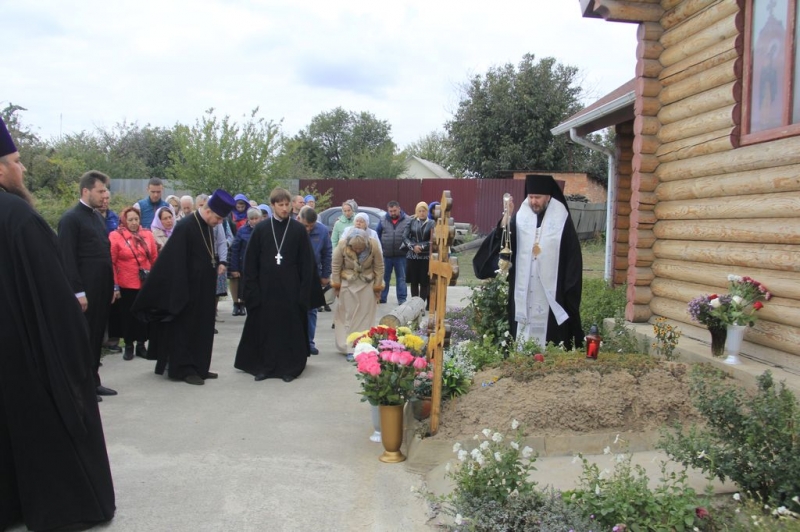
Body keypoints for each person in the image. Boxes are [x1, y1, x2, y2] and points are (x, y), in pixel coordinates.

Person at [0, 117, 115, 532]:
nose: (23, 169)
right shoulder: (18, 217)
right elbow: (53, 299)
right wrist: (73, 352)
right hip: (22, 350)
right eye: (16, 160)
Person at [131, 189, 236, 385]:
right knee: (185, 330)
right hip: (187, 291)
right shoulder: (187, 226)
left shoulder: (206, 226)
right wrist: (182, 292)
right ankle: (183, 369)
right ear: (209, 210)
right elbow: (174, 263)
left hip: (203, 290)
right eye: (219, 218)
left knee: (202, 329)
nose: (220, 222)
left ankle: (199, 366)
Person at [473, 174, 584, 349]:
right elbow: (504, 245)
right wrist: (506, 219)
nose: (533, 202)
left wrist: (568, 291)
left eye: (538, 197)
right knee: (521, 340)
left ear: (548, 196)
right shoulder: (521, 217)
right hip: (524, 293)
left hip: (551, 294)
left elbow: (573, 260)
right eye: (531, 197)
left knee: (551, 342)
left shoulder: (562, 220)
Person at [234, 188, 318, 382]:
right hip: (266, 290)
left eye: (287, 204)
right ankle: (265, 367)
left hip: (291, 290)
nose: (284, 208)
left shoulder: (298, 230)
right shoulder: (261, 229)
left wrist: (305, 292)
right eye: (280, 205)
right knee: (267, 329)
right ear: (272, 206)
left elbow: (307, 263)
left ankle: (290, 367)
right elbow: (250, 262)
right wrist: (251, 290)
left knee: (289, 329)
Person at [58, 170, 118, 401]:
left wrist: (112, 286)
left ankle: (93, 380)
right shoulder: (71, 219)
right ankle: (80, 386)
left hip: (102, 289)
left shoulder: (96, 217)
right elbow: (67, 259)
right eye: (101, 191)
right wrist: (78, 292)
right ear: (86, 191)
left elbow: (104, 255)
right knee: (82, 339)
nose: (105, 195)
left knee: (95, 337)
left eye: (106, 190)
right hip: (85, 292)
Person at [110, 207, 158, 360]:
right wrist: (115, 285)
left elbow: (154, 258)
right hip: (126, 283)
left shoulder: (147, 235)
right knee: (128, 315)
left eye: (136, 219)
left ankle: (141, 345)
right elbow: (111, 261)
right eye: (130, 220)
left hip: (144, 282)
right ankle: (129, 345)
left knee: (143, 315)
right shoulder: (116, 236)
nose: (133, 223)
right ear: (124, 220)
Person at [332, 229, 385, 358]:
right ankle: (349, 347)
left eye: (361, 249)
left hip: (367, 283)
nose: (358, 251)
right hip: (348, 282)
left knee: (365, 316)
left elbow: (379, 267)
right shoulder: (342, 246)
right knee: (348, 315)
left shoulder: (373, 246)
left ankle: (364, 345)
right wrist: (337, 286)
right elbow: (336, 266)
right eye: (355, 248)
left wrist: (377, 288)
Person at [299, 206, 332, 354]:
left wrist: (325, 275)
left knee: (311, 310)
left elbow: (327, 253)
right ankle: (297, 341)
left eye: (311, 226)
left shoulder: (322, 231)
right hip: (295, 275)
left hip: (314, 274)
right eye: (306, 226)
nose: (308, 229)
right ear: (299, 219)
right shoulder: (293, 229)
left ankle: (309, 343)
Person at [229, 207, 263, 316]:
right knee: (241, 284)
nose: (254, 221)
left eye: (256, 218)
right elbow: (235, 248)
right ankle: (238, 305)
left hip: (259, 264)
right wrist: (234, 267)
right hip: (243, 262)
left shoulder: (263, 230)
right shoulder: (242, 230)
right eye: (251, 219)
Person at [376, 200, 410, 304]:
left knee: (401, 278)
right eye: (390, 211)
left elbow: (411, 236)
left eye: (395, 210)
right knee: (384, 277)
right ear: (388, 210)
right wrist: (380, 249)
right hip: (386, 255)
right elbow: (377, 236)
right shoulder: (382, 220)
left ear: (399, 209)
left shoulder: (408, 220)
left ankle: (402, 299)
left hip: (402, 255)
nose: (393, 213)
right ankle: (382, 297)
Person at [404, 201, 434, 303]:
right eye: (420, 211)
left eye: (424, 211)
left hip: (425, 257)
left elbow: (433, 240)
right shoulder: (411, 222)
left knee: (424, 282)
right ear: (417, 211)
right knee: (414, 281)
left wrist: (421, 246)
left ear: (427, 211)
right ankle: (414, 304)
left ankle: (421, 304)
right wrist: (413, 246)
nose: (422, 213)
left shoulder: (432, 223)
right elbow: (405, 237)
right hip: (413, 256)